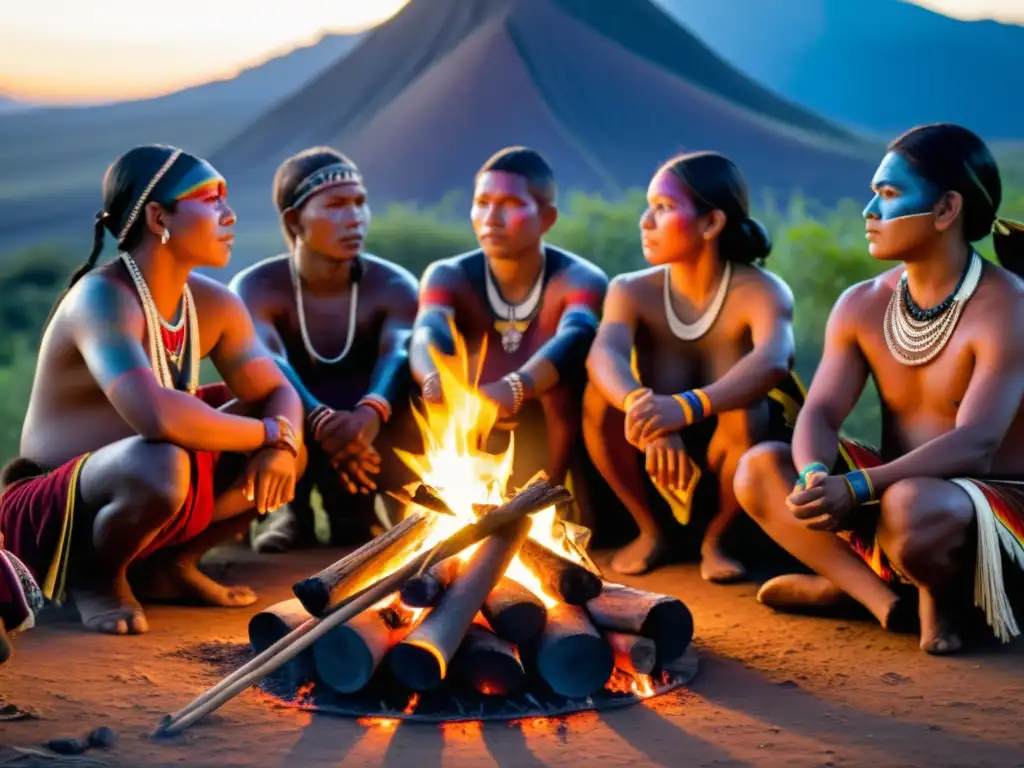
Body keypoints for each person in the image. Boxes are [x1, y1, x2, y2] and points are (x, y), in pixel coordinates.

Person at [734, 123, 1024, 654]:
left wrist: (863, 488)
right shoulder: (861, 303)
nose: (869, 210)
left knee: (912, 506)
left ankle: (934, 594)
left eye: (888, 195)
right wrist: (817, 474)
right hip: (895, 492)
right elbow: (820, 411)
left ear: (945, 211)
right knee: (759, 469)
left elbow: (978, 443)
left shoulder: (1008, 305)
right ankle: (880, 600)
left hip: (986, 505)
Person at [0, 144, 305, 636]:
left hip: (152, 478)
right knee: (164, 461)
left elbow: (277, 390)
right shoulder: (102, 299)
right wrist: (271, 432)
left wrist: (282, 444)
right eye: (211, 199)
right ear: (159, 217)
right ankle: (96, 578)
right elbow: (156, 418)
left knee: (286, 444)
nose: (229, 215)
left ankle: (173, 567)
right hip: (61, 508)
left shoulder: (214, 304)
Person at [583, 151, 798, 579]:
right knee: (599, 400)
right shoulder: (630, 290)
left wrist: (685, 407)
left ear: (711, 223)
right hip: (652, 447)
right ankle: (649, 531)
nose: (645, 221)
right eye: (649, 207)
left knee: (747, 406)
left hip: (737, 449)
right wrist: (645, 412)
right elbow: (602, 353)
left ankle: (719, 539)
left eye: (662, 208)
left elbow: (774, 360)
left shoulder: (762, 291)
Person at [231, 147, 419, 552]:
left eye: (360, 203)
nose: (354, 217)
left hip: (370, 432)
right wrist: (320, 421)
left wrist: (370, 413)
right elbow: (268, 358)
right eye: (336, 205)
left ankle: (367, 513)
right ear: (294, 220)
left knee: (423, 384)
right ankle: (286, 509)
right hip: (297, 427)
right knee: (250, 387)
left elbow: (399, 352)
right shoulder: (255, 288)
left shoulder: (394, 285)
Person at [410, 146, 607, 491]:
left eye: (510, 205)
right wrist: (435, 381)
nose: (491, 218)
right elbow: (428, 329)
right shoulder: (447, 275)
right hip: (469, 424)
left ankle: (554, 499)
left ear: (547, 218)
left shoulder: (580, 278)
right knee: (405, 373)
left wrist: (514, 388)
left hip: (554, 427)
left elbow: (577, 334)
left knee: (571, 375)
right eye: (482, 202)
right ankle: (418, 506)